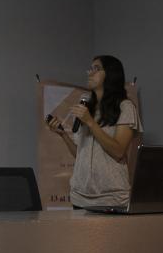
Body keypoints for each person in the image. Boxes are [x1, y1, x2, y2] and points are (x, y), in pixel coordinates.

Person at [47, 55, 142, 208]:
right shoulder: (86, 108)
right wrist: (63, 135)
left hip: (110, 198)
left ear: (111, 74)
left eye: (96, 69)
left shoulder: (125, 107)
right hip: (80, 197)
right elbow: (80, 154)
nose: (90, 73)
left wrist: (91, 122)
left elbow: (118, 151)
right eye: (90, 69)